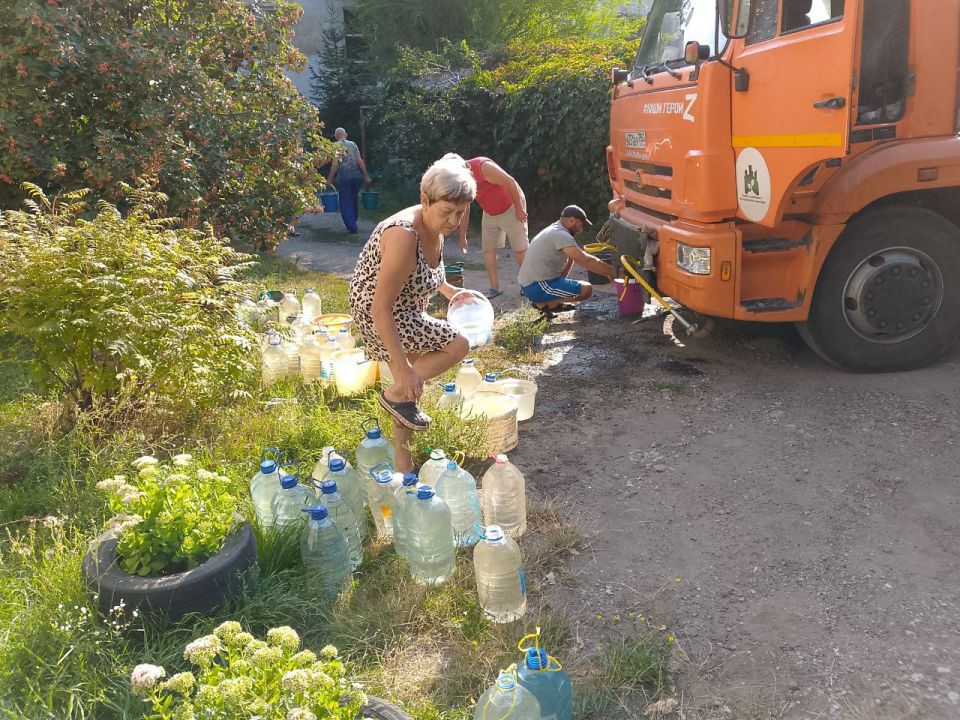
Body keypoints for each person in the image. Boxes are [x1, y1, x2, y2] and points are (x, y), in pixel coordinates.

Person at [349, 154, 474, 472]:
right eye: (447, 212)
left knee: (409, 390)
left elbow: (431, 273)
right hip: (379, 313)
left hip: (405, 309)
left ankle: (403, 463)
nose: (453, 221)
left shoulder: (438, 225)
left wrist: (449, 291)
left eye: (460, 213)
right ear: (424, 200)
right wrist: (402, 369)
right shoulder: (405, 235)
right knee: (457, 345)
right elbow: (380, 308)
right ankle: (395, 393)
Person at [517, 205, 616, 318]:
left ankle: (551, 302)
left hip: (533, 283)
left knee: (572, 260)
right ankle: (544, 304)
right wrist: (612, 272)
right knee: (586, 289)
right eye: (581, 225)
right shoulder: (561, 235)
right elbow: (586, 261)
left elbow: (574, 258)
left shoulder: (555, 230)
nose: (581, 230)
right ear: (571, 220)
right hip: (537, 286)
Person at [458, 157, 528, 299]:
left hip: (512, 206)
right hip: (490, 212)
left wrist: (519, 209)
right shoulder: (460, 179)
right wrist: (462, 236)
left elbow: (510, 181)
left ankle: (527, 285)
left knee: (520, 249)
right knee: (488, 249)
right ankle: (494, 288)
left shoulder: (482, 166)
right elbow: (465, 207)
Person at [326, 127, 371, 234]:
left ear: (336, 136)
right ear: (345, 134)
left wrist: (329, 179)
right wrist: (366, 176)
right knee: (353, 199)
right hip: (356, 175)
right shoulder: (353, 144)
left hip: (344, 176)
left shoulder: (335, 146)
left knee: (345, 201)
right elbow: (360, 161)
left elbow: (335, 164)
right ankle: (353, 223)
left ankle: (351, 226)